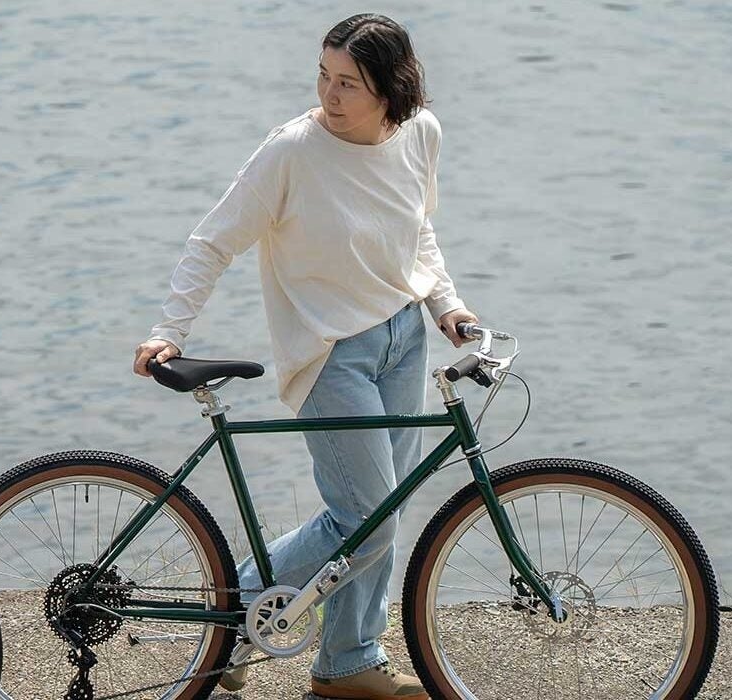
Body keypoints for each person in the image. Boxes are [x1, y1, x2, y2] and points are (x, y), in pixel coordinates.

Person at [132, 14, 476, 700]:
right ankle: (237, 614)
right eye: (324, 75)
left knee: (383, 514)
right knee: (366, 518)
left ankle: (348, 663)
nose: (329, 94)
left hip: (404, 338)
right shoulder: (292, 151)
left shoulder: (420, 134)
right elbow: (213, 241)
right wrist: (171, 328)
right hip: (328, 352)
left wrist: (448, 306)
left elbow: (418, 231)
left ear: (391, 89)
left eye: (349, 83)